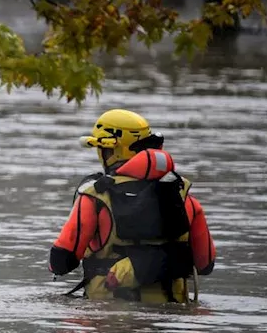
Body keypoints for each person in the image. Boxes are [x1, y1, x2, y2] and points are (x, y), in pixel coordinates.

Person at [49, 109, 216, 302]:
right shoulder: (183, 195)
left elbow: (61, 261)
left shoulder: (95, 196)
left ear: (111, 149)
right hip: (170, 319)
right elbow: (205, 264)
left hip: (108, 315)